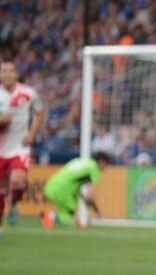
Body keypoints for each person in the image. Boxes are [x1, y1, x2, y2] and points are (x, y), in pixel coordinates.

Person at [0, 60, 44, 231]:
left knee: (18, 183)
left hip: (19, 147)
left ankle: (14, 202)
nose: (7, 74)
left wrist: (31, 134)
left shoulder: (28, 93)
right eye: (4, 71)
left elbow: (39, 113)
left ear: (16, 74)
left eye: (11, 71)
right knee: (1, 190)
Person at [40, 152, 110, 229]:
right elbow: (91, 196)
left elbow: (75, 184)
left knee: (68, 214)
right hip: (63, 189)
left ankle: (79, 225)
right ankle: (51, 216)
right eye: (106, 164)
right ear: (101, 162)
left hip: (51, 185)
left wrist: (84, 198)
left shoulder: (82, 162)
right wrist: (97, 211)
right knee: (72, 218)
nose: (106, 167)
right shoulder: (94, 169)